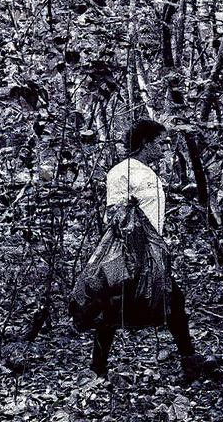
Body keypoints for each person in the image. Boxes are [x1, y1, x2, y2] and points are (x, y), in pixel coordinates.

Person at [89, 119, 216, 379]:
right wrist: (135, 252)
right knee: (112, 308)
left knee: (173, 302)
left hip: (152, 251)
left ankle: (189, 361)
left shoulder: (148, 172)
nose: (166, 148)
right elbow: (116, 215)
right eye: (161, 143)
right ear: (146, 144)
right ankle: (98, 369)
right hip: (131, 252)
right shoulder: (121, 172)